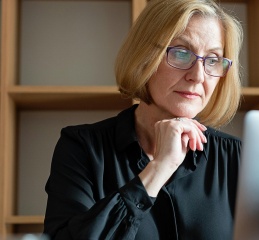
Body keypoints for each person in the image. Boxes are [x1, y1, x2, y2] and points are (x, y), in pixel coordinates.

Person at [43, 0, 243, 239]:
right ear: (146, 56)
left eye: (212, 60)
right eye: (181, 53)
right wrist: (158, 169)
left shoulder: (238, 157)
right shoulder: (82, 148)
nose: (197, 76)